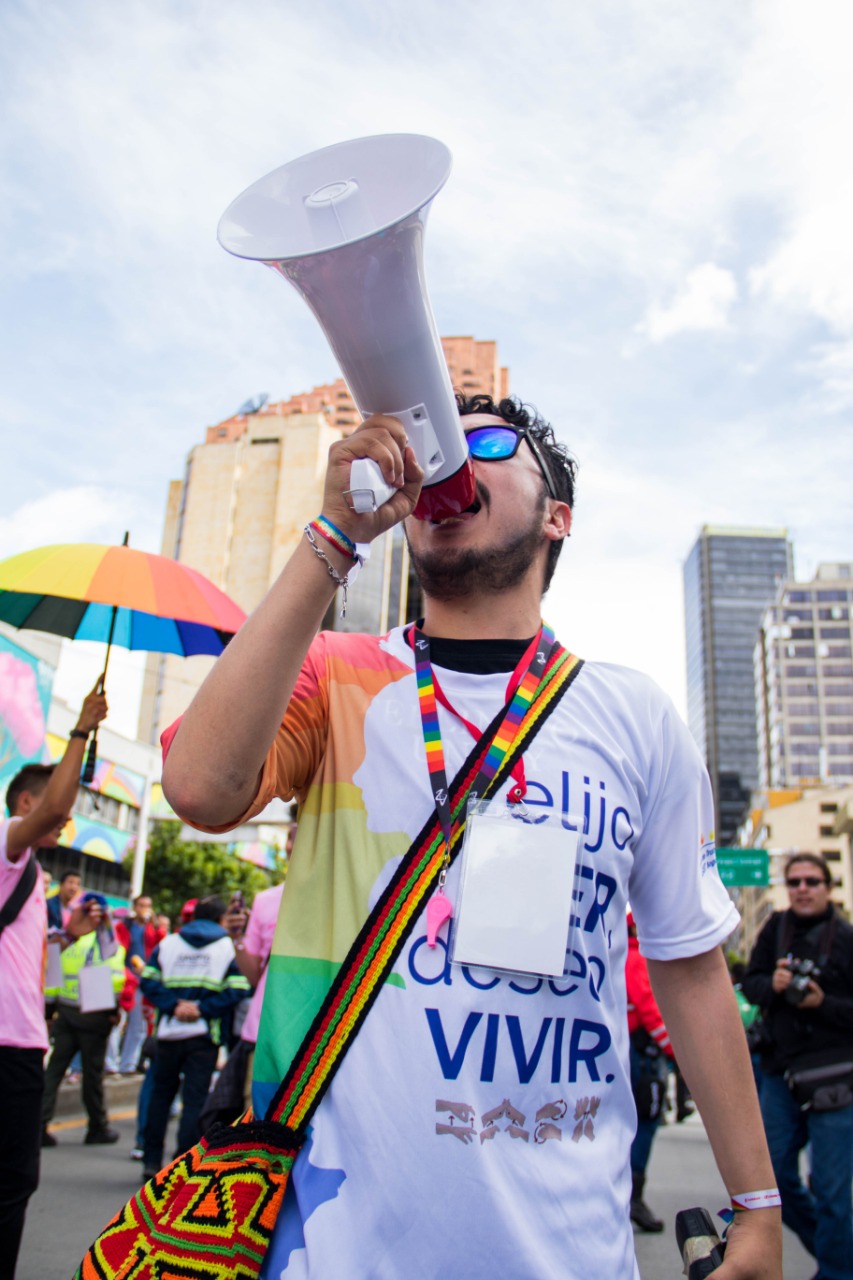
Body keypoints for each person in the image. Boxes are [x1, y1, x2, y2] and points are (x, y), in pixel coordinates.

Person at [161, 395, 782, 1279]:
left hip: (570, 1251)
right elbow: (199, 788)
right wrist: (336, 535)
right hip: (330, 1251)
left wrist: (757, 1210)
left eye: (487, 444)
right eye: (434, 446)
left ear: (557, 516)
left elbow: (688, 966)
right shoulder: (337, 673)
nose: (449, 458)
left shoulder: (633, 715)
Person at [0, 683, 107, 1279]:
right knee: (11, 1183)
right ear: (23, 804)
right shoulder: (6, 839)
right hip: (7, 1049)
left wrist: (67, 931)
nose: (64, 824)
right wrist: (81, 729)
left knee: (13, 1182)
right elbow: (53, 811)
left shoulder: (30, 872)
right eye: (48, 809)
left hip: (20, 1042)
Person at [743, 852, 853, 1280]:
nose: (802, 889)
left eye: (812, 881)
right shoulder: (776, 927)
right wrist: (771, 985)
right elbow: (749, 985)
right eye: (794, 882)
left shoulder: (844, 937)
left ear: (829, 887)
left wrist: (824, 1004)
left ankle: (836, 1271)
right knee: (772, 1185)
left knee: (831, 1193)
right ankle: (842, 1258)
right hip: (780, 1075)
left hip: (835, 1079)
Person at [139, 894, 251, 1180]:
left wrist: (173, 1006)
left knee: (160, 1097)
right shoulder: (228, 947)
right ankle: (181, 1166)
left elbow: (148, 981)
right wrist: (201, 1009)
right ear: (220, 919)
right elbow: (239, 988)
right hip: (204, 1035)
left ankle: (150, 1161)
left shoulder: (168, 943)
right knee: (195, 1100)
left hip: (167, 1033)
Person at [41, 894, 127, 1146]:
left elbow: (51, 980)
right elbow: (115, 982)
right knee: (92, 1075)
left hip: (65, 1013)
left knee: (54, 1071)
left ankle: (39, 1125)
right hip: (94, 1017)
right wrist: (113, 1012)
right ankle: (97, 1126)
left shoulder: (66, 941)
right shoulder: (107, 943)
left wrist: (49, 1014)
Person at [626, 911, 674, 1233]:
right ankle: (633, 1196)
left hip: (635, 1048)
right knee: (645, 1121)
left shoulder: (625, 954)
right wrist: (676, 1049)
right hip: (641, 1050)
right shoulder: (635, 957)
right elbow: (648, 1006)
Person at [114, 893, 166, 1073]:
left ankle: (128, 1064)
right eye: (141, 905)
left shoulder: (154, 929)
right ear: (134, 907)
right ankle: (111, 1064)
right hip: (124, 979)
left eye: (148, 905)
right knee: (118, 1022)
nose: (144, 908)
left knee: (139, 1026)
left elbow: (163, 946)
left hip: (144, 981)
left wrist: (156, 925)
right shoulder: (124, 927)